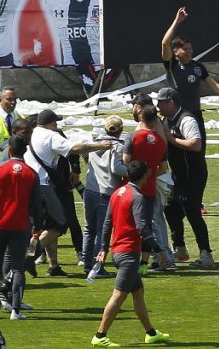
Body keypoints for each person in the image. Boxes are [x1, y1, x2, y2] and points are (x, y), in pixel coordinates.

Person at [24, 109, 114, 277]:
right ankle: (29, 256)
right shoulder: (50, 135)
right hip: (44, 186)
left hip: (32, 185)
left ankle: (52, 265)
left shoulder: (34, 132)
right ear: (50, 123)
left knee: (42, 228)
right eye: (55, 122)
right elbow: (76, 148)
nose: (57, 125)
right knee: (60, 224)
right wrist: (101, 145)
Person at [92, 160, 171, 347]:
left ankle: (151, 333)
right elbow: (142, 226)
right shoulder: (137, 196)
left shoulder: (118, 193)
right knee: (119, 295)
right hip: (129, 253)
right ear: (144, 176)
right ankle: (100, 335)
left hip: (118, 251)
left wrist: (103, 248)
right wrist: (159, 251)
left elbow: (107, 223)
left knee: (138, 292)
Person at [0, 135, 41, 320]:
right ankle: (16, 310)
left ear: (9, 150)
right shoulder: (31, 173)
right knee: (17, 269)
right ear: (25, 151)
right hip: (19, 226)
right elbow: (37, 204)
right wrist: (37, 226)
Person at [156, 88, 213, 269]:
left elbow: (195, 145)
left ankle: (206, 254)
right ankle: (180, 248)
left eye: (161, 102)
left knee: (192, 211)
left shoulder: (186, 119)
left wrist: (170, 139)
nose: (158, 106)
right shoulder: (167, 119)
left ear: (171, 102)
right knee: (170, 208)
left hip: (193, 175)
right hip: (178, 175)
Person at [161, 7, 219, 123]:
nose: (189, 51)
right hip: (176, 114)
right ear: (175, 51)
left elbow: (214, 85)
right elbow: (165, 43)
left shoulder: (197, 67)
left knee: (199, 141)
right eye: (185, 49)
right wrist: (177, 21)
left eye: (190, 48)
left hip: (195, 113)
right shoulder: (172, 65)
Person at [122, 103, 173, 271]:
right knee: (147, 226)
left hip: (132, 189)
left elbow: (125, 160)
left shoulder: (132, 137)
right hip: (150, 188)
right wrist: (149, 175)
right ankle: (144, 264)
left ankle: (142, 259)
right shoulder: (160, 141)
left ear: (141, 117)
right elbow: (164, 168)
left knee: (131, 225)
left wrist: (138, 173)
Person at [82, 116, 126, 278]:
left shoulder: (94, 142)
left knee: (89, 229)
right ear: (120, 130)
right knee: (102, 230)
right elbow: (117, 168)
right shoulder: (117, 146)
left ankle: (86, 262)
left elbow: (83, 154)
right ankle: (97, 266)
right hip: (107, 192)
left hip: (90, 189)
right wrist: (134, 170)